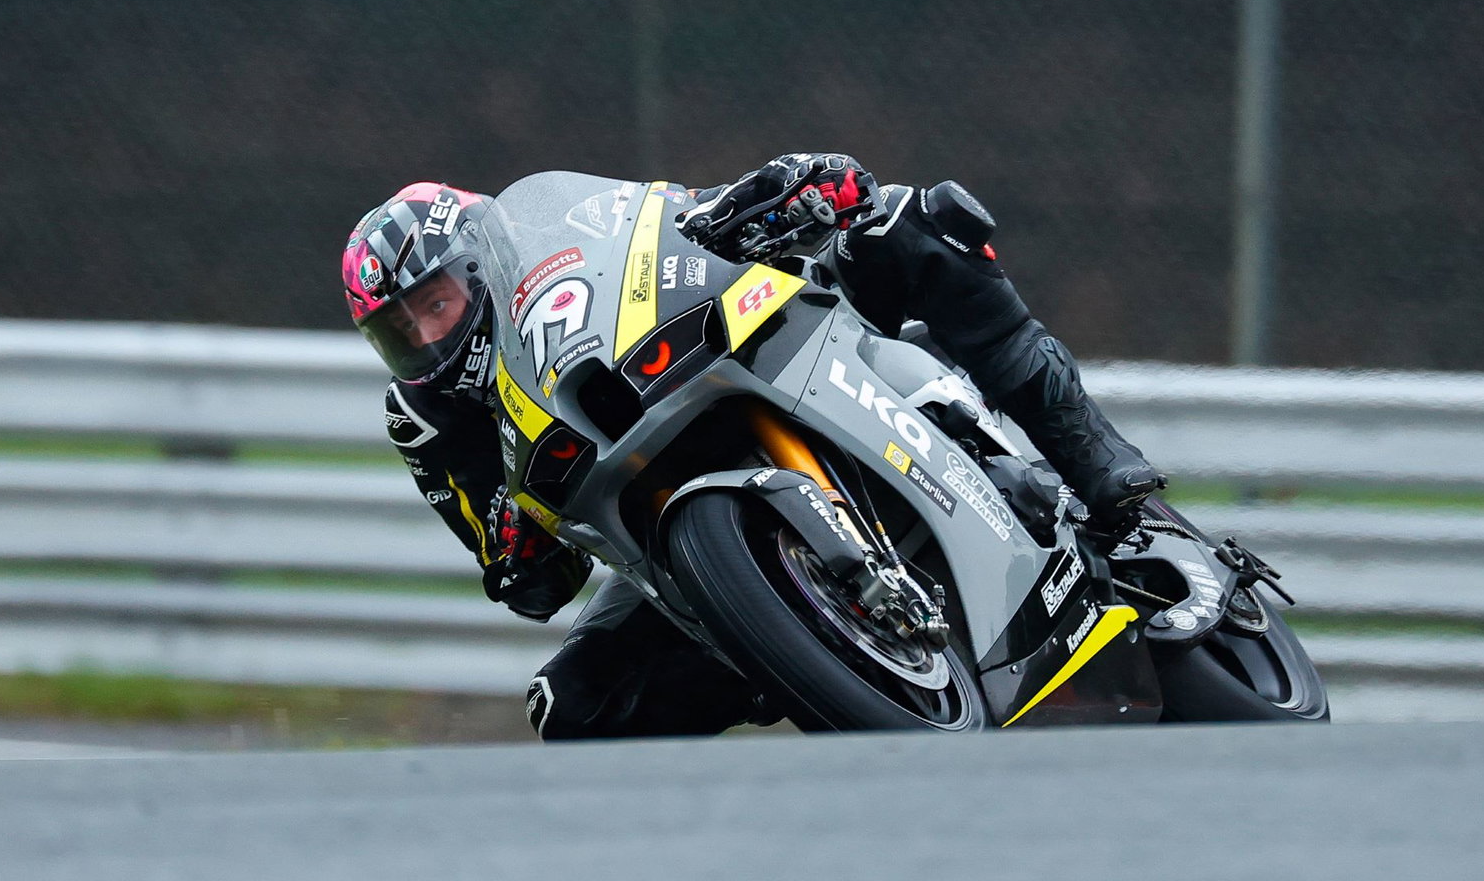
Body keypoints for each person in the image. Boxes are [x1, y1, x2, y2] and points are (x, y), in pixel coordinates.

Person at [341, 156, 1166, 740]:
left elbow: (670, 219)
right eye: (398, 331)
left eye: (434, 303)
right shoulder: (427, 421)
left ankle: (1099, 470)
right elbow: (529, 580)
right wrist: (516, 547)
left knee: (911, 221)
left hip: (740, 353)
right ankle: (788, 674)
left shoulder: (565, 234)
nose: (424, 336)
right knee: (571, 704)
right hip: (656, 533)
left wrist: (779, 194)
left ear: (477, 266)